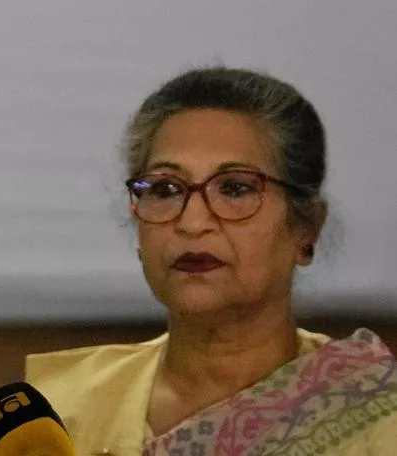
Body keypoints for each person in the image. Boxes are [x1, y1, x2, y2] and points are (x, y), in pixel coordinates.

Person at [25, 67, 397, 455]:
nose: (192, 222)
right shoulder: (57, 416)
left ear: (306, 229)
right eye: (166, 189)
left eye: (235, 188)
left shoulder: (377, 419)